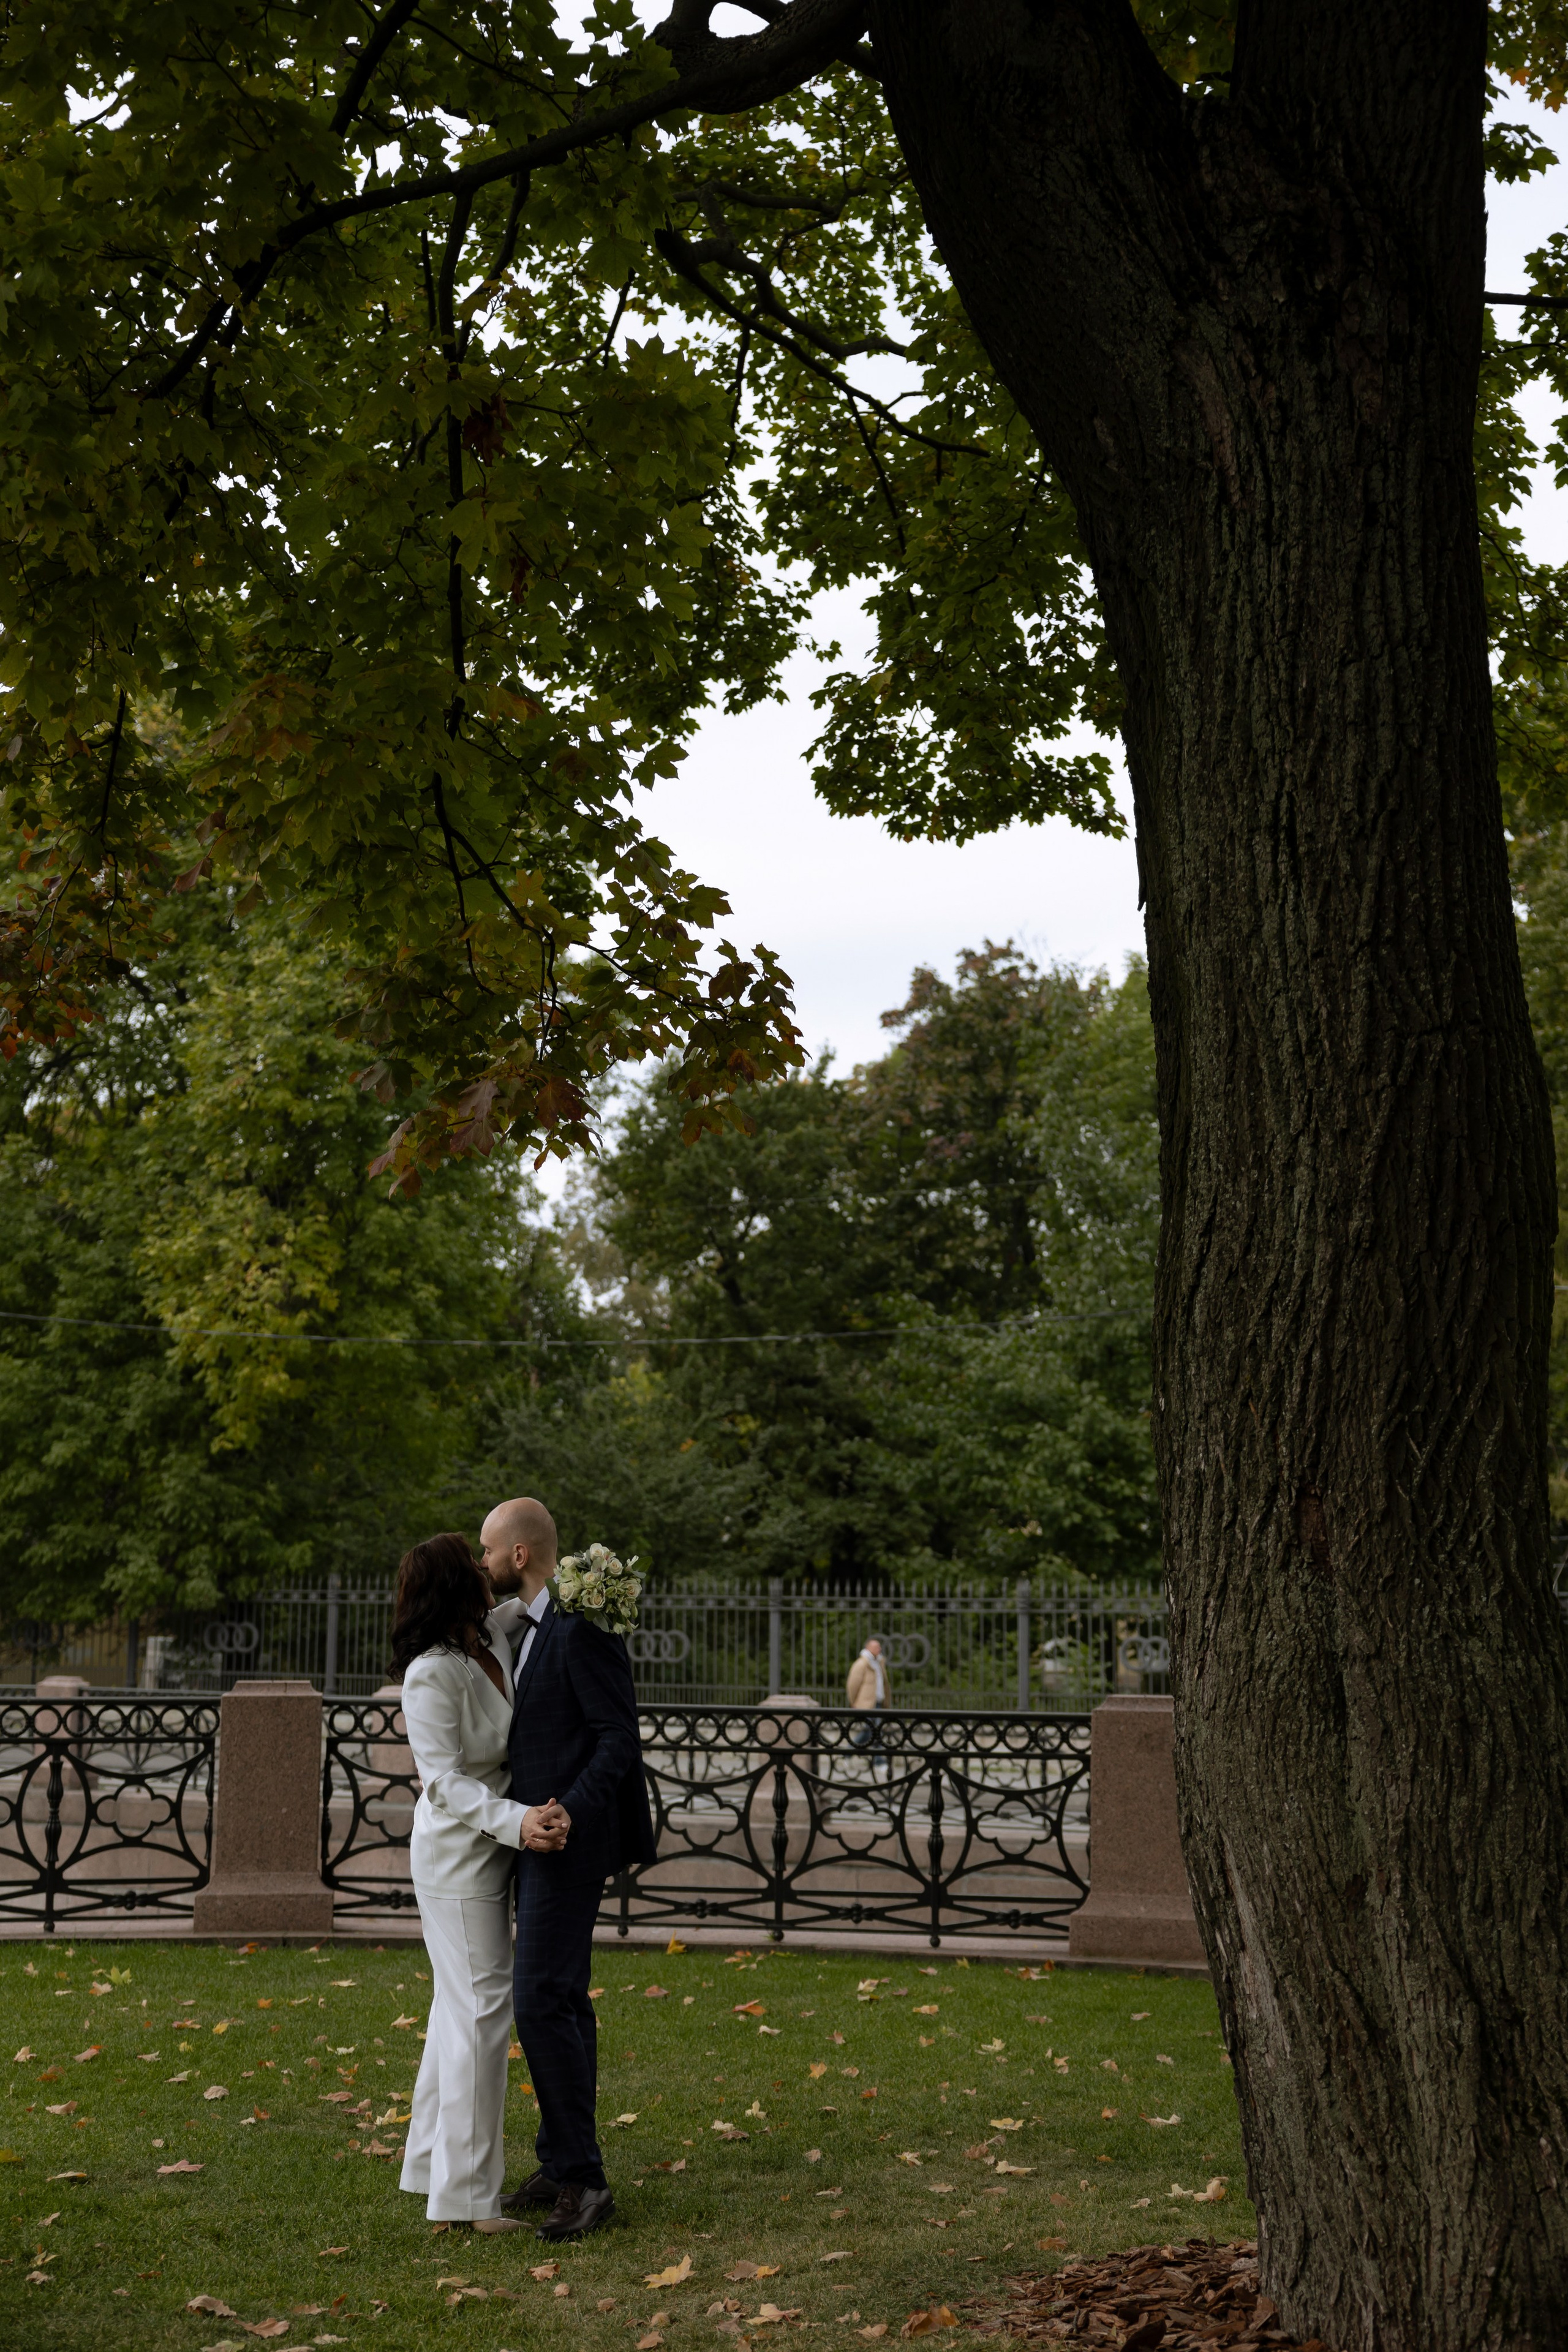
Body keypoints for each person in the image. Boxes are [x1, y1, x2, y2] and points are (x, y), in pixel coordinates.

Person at [479, 1495, 657, 2241]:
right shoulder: (530, 1628)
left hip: (567, 1840)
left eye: (488, 1549)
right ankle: (559, 2161)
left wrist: (565, 1812)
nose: (482, 1561)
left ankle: (584, 2181)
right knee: (560, 2001)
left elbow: (620, 1740)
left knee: (541, 1999)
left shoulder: (581, 1626)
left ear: (520, 1554)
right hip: (537, 1837)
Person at [391, 1531, 565, 2231]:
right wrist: (521, 1821)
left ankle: (432, 2165)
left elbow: (545, 1597)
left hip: (494, 1848)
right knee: (481, 2015)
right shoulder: (430, 1673)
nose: (483, 1564)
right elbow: (443, 1783)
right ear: (450, 1584)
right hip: (457, 1859)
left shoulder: (488, 1636)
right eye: (471, 1560)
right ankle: (465, 2201)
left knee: (454, 2011)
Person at [846, 1635, 889, 1761]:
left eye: (879, 1646)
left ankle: (847, 1753)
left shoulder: (879, 1663)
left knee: (870, 1731)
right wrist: (853, 1702)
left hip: (878, 1702)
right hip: (866, 1704)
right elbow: (852, 1685)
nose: (879, 1649)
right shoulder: (862, 1664)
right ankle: (878, 1760)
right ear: (868, 1648)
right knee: (874, 1731)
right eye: (876, 1647)